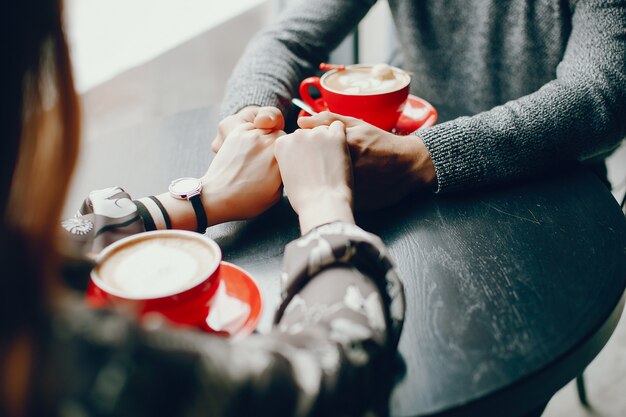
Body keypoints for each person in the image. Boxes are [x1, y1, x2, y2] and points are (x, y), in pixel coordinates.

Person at [0, 1, 405, 416]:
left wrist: (200, 199)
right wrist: (325, 204)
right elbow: (336, 374)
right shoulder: (69, 358)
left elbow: (45, 250)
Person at [214, 0, 626, 209]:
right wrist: (249, 115)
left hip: (553, 183)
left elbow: (600, 92)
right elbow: (288, 39)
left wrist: (422, 156)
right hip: (408, 167)